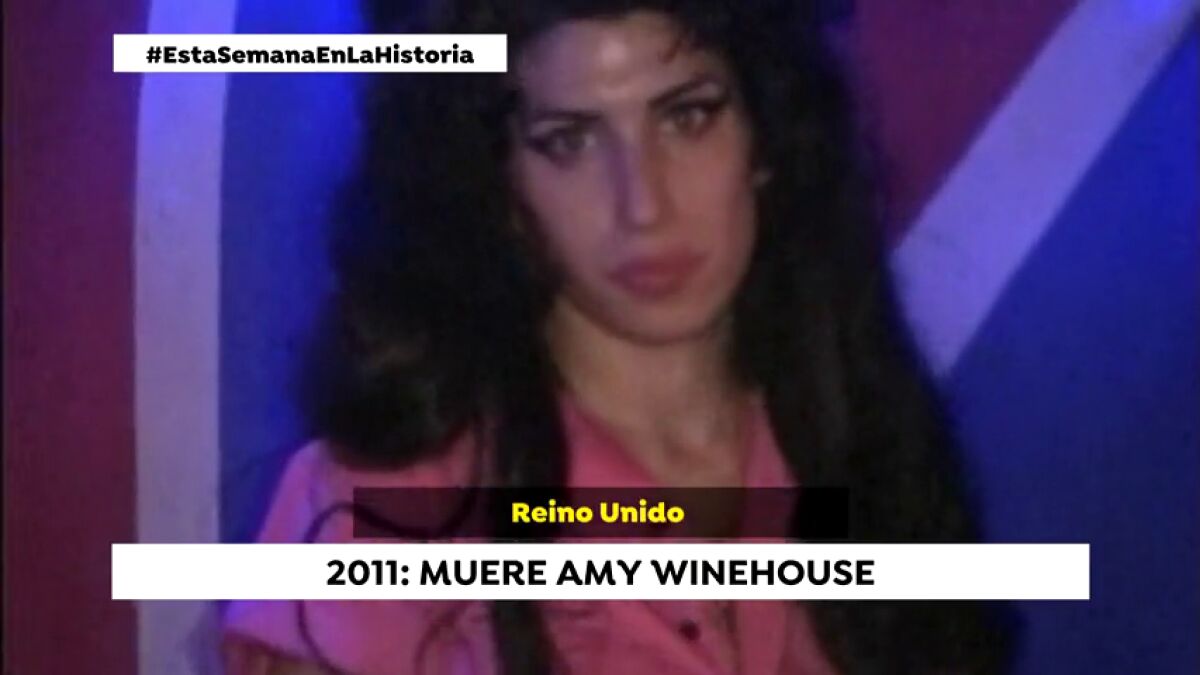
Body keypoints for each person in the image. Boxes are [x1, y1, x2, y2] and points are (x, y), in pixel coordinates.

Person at [223, 1, 1015, 673]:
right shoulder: (382, 509)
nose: (644, 206)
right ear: (495, 181)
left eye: (687, 116)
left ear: (768, 135)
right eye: (569, 141)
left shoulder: (868, 442)